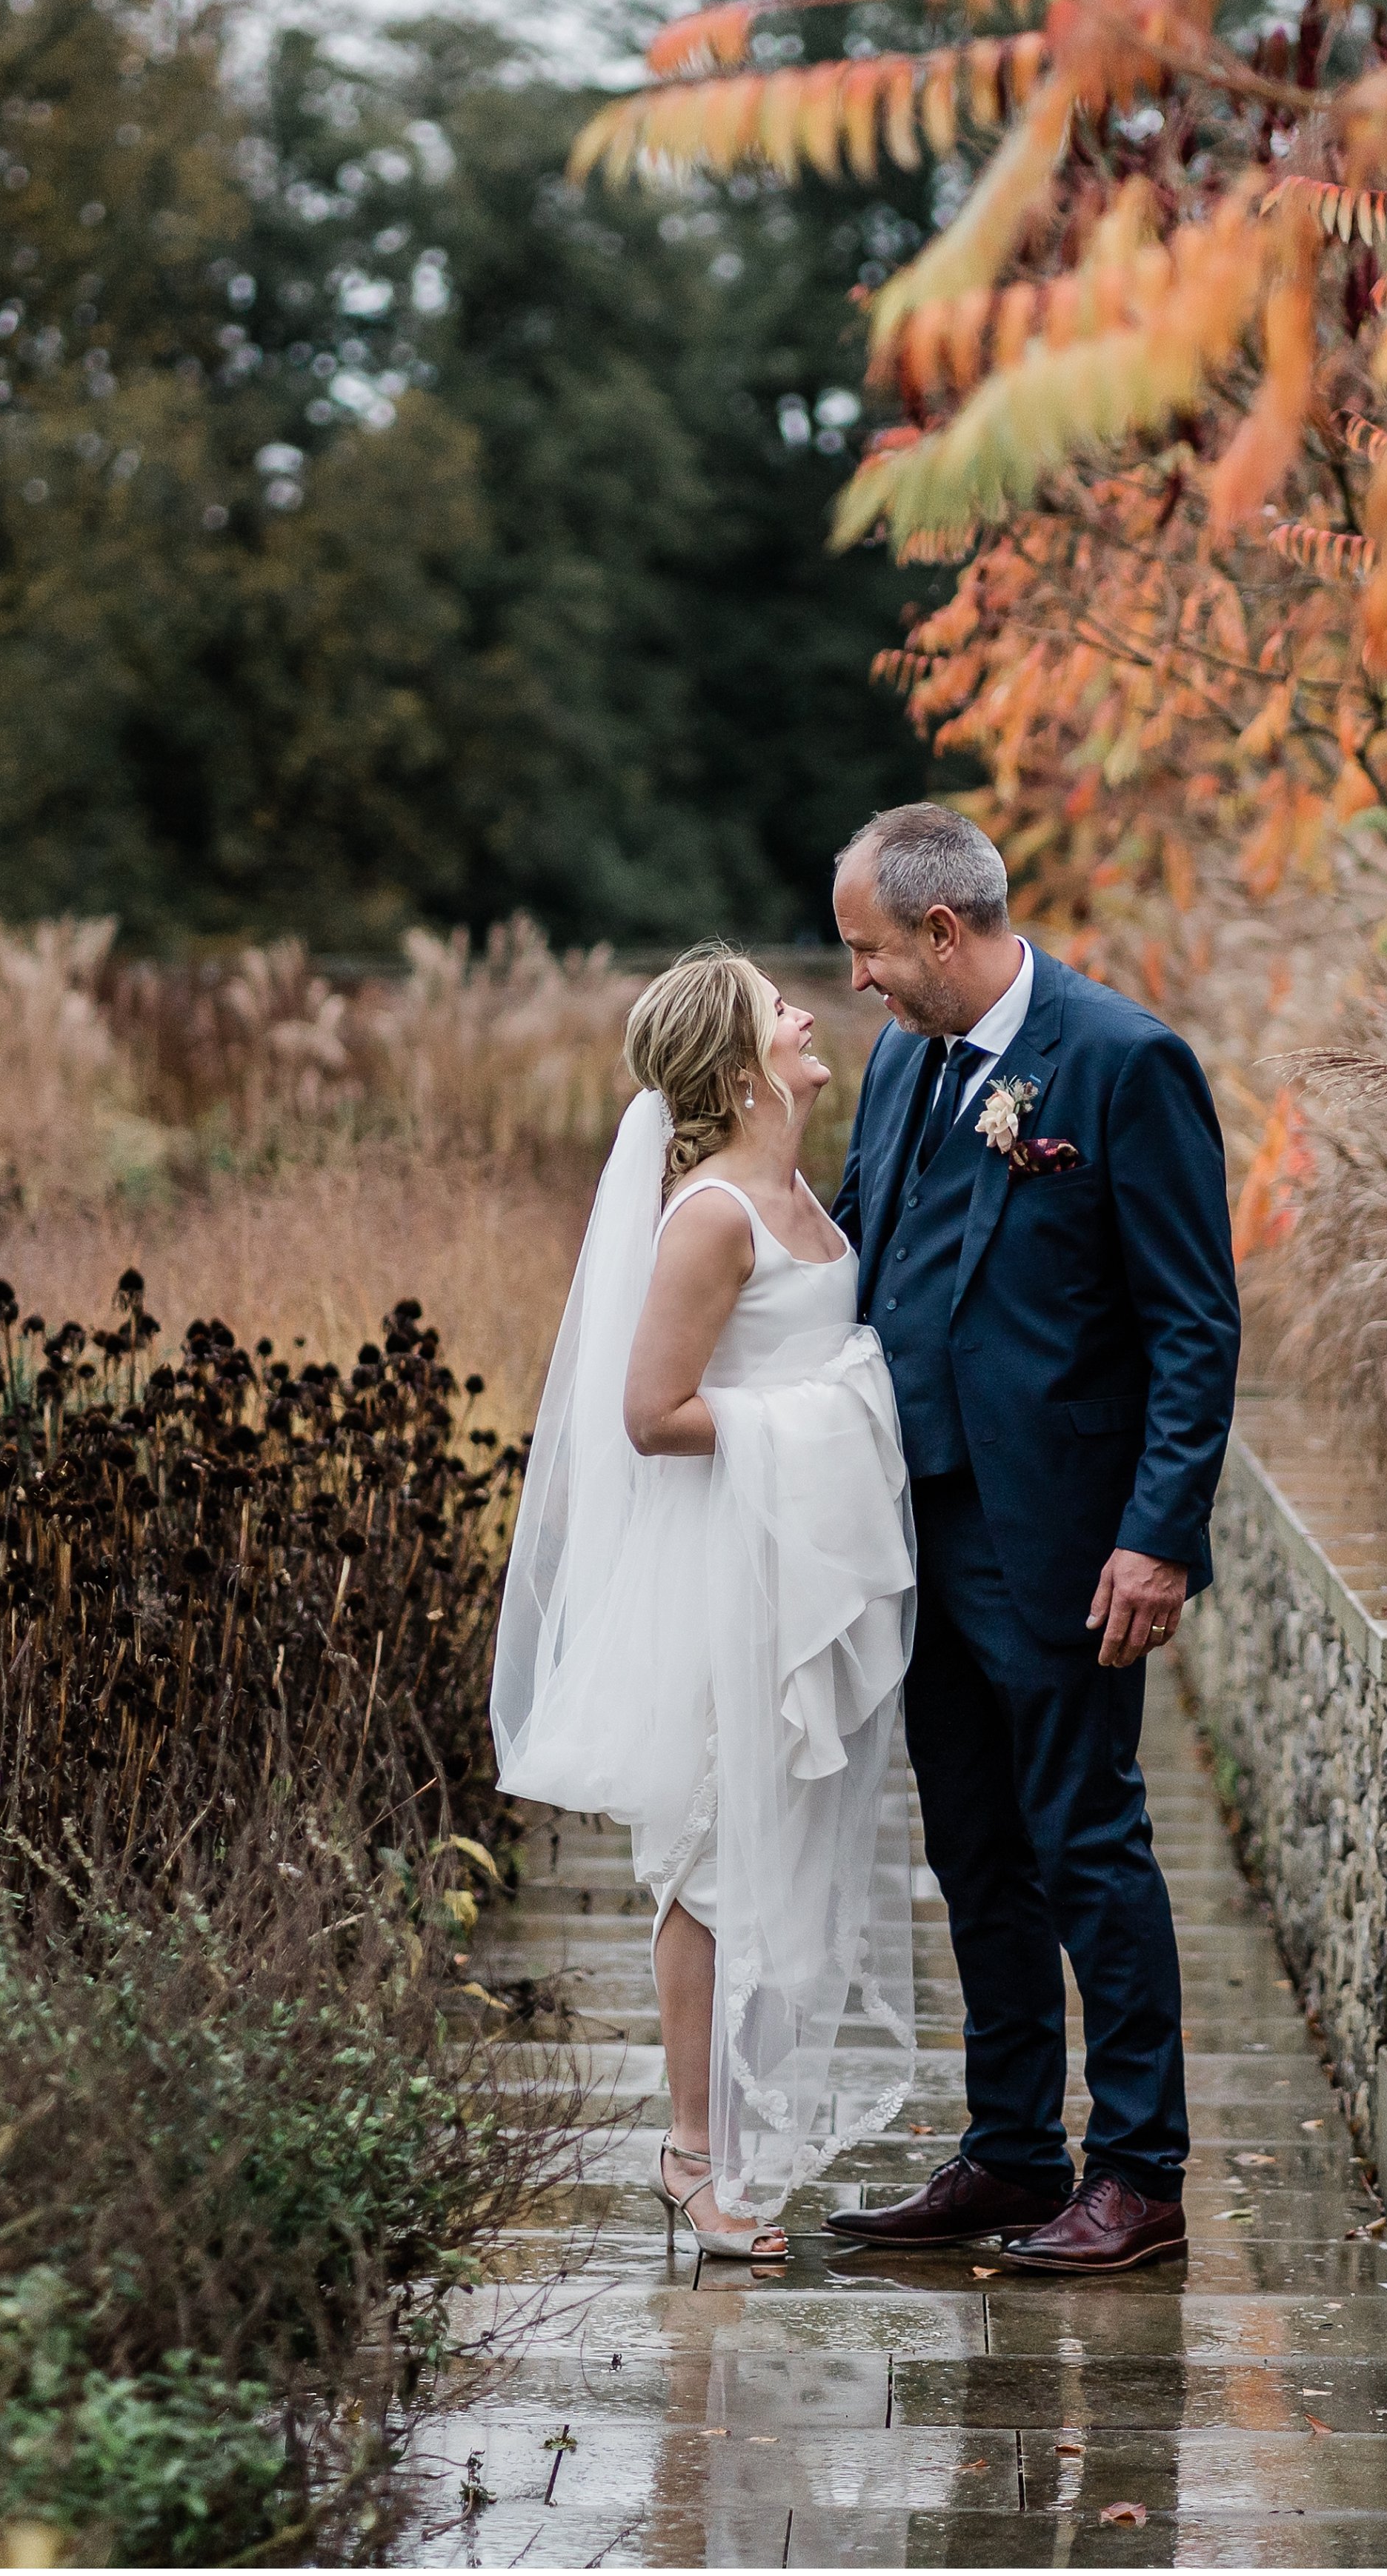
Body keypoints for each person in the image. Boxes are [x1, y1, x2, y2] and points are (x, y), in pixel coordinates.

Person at [825, 804, 1240, 2274]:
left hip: (1061, 1536)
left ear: (942, 932)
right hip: (910, 1522)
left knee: (1085, 1838)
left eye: (869, 950)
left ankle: (1137, 2168)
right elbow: (860, 1235)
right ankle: (1010, 2149)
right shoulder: (898, 1060)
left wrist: (1157, 1534)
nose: (858, 980)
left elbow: (1193, 1321)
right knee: (969, 1841)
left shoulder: (1122, 1061)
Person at [491, 947, 917, 2260]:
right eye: (777, 1007)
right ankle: (689, 2148)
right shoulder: (713, 1214)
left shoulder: (798, 1191)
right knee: (712, 1859)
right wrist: (834, 1417)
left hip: (800, 1562)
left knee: (786, 1844)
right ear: (739, 1068)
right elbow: (650, 1415)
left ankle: (737, 2129)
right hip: (727, 1571)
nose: (806, 1011)